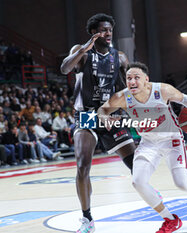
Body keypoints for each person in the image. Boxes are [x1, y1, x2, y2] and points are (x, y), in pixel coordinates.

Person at [98, 62, 187, 233]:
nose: (132, 81)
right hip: (148, 143)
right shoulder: (122, 97)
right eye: (128, 78)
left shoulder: (162, 90)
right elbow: (102, 110)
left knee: (182, 184)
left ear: (146, 80)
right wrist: (104, 117)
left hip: (172, 140)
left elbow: (184, 98)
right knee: (138, 181)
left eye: (136, 78)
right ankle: (170, 220)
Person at [60, 13, 136, 233]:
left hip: (109, 115)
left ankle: (155, 201)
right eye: (103, 30)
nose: (108, 33)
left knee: (136, 166)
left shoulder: (120, 57)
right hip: (86, 116)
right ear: (93, 33)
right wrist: (84, 48)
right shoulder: (81, 52)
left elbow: (125, 89)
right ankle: (87, 219)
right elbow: (65, 69)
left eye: (110, 29)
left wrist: (131, 112)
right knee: (83, 165)